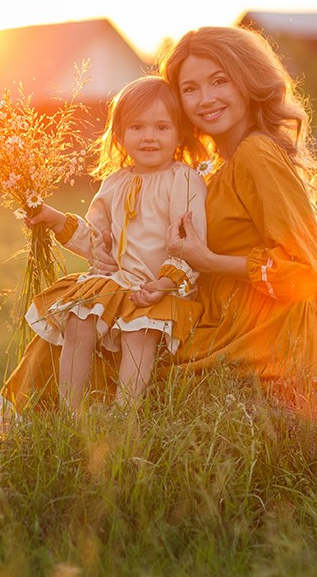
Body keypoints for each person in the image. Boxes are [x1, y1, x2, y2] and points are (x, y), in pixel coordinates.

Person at [0, 26, 317, 434]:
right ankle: (13, 424)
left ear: (248, 80)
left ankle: (1, 426)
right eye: (190, 88)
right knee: (82, 311)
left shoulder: (256, 153)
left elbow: (305, 270)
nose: (205, 98)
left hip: (262, 333)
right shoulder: (215, 165)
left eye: (219, 81)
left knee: (99, 330)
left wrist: (206, 261)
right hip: (221, 313)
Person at [23, 75, 209, 411]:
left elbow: (190, 244)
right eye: (137, 127)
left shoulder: (183, 180)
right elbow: (97, 242)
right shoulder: (114, 183)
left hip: (165, 287)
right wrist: (55, 220)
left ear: (179, 133)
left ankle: (124, 415)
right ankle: (71, 414)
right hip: (120, 284)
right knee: (79, 321)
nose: (149, 136)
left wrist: (164, 283)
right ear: (120, 134)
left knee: (139, 333)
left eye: (161, 127)